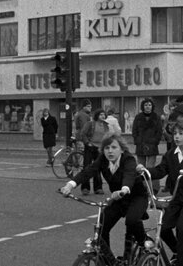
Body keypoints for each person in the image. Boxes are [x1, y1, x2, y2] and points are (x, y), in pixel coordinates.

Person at [61, 134, 148, 263]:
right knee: (101, 226)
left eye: (114, 147)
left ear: (121, 149)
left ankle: (144, 244)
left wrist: (124, 189)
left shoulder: (128, 159)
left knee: (131, 220)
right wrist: (70, 185)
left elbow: (129, 175)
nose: (110, 151)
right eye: (107, 148)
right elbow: (88, 171)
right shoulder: (102, 159)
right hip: (118, 199)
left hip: (136, 197)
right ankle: (109, 261)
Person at [138, 118, 183, 266]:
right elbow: (161, 170)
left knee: (182, 227)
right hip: (176, 197)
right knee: (164, 228)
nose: (176, 137)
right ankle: (179, 251)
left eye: (181, 133)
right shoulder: (171, 154)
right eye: (175, 134)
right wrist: (145, 171)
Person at [132, 98, 163, 193]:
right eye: (146, 105)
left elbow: (159, 131)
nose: (148, 107)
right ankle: (143, 188)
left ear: (152, 106)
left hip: (152, 145)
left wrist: (155, 141)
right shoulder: (138, 117)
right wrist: (137, 140)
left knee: (150, 168)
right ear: (143, 107)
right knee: (141, 168)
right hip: (141, 145)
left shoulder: (156, 117)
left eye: (149, 105)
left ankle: (153, 188)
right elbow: (134, 130)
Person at [82, 109, 111, 195]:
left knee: (98, 168)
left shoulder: (106, 126)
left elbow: (107, 137)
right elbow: (83, 133)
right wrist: (87, 143)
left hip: (100, 148)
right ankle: (85, 188)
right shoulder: (90, 124)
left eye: (104, 115)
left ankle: (98, 188)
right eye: (101, 114)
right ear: (97, 116)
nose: (103, 116)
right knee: (87, 166)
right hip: (90, 147)